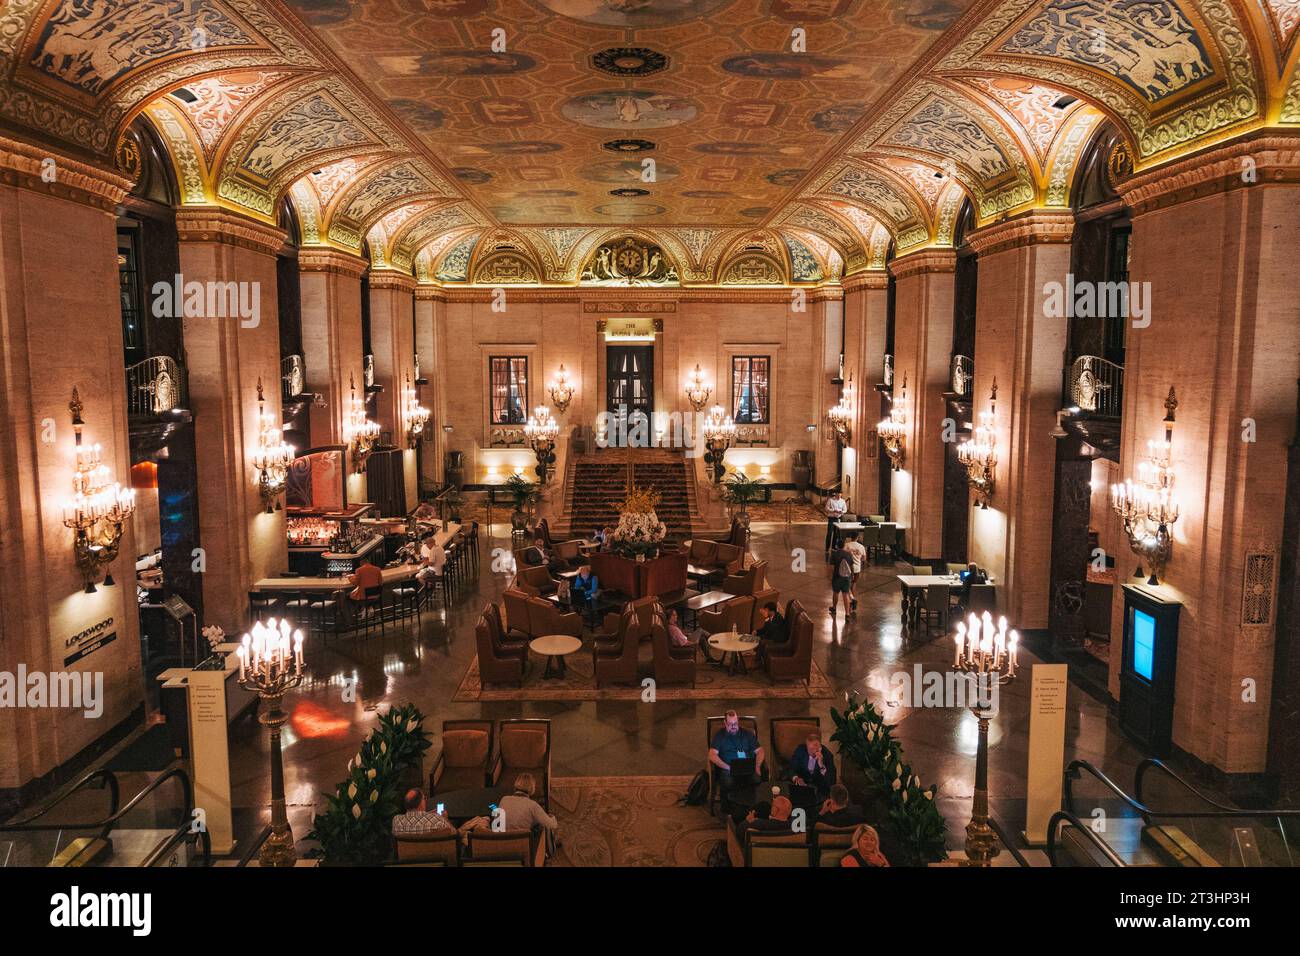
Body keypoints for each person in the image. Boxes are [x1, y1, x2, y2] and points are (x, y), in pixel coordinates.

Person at [497, 771, 559, 857]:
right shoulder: (532, 805)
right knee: (544, 825)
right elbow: (553, 825)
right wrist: (552, 817)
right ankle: (549, 852)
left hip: (504, 841)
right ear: (532, 788)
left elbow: (498, 821)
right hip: (523, 843)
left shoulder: (504, 799)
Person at [708, 710, 766, 802]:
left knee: (756, 778)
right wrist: (727, 767)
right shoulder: (720, 735)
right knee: (729, 781)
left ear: (738, 721)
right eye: (730, 724)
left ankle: (750, 806)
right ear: (725, 723)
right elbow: (711, 755)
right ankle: (731, 809)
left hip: (747, 768)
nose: (733, 727)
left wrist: (757, 765)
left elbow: (760, 751)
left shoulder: (747, 734)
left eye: (735, 723)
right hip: (729, 768)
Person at [789, 731, 836, 800]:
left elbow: (831, 781)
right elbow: (791, 768)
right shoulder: (800, 750)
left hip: (820, 789)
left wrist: (821, 765)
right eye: (810, 749)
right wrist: (796, 778)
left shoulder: (828, 755)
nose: (812, 752)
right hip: (803, 787)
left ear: (820, 747)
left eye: (815, 749)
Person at [829, 541, 855, 617]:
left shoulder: (835, 554)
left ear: (837, 546)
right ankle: (847, 613)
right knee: (845, 594)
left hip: (837, 577)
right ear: (844, 546)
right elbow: (852, 567)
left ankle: (834, 608)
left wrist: (830, 576)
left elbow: (831, 568)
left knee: (835, 593)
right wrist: (852, 575)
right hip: (846, 578)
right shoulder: (849, 554)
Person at [843, 532, 867, 612]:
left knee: (847, 585)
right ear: (857, 538)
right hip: (857, 569)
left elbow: (843, 556)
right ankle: (853, 598)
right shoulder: (861, 547)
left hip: (848, 568)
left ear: (851, 537)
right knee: (854, 584)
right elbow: (864, 559)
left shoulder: (847, 545)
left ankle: (851, 599)